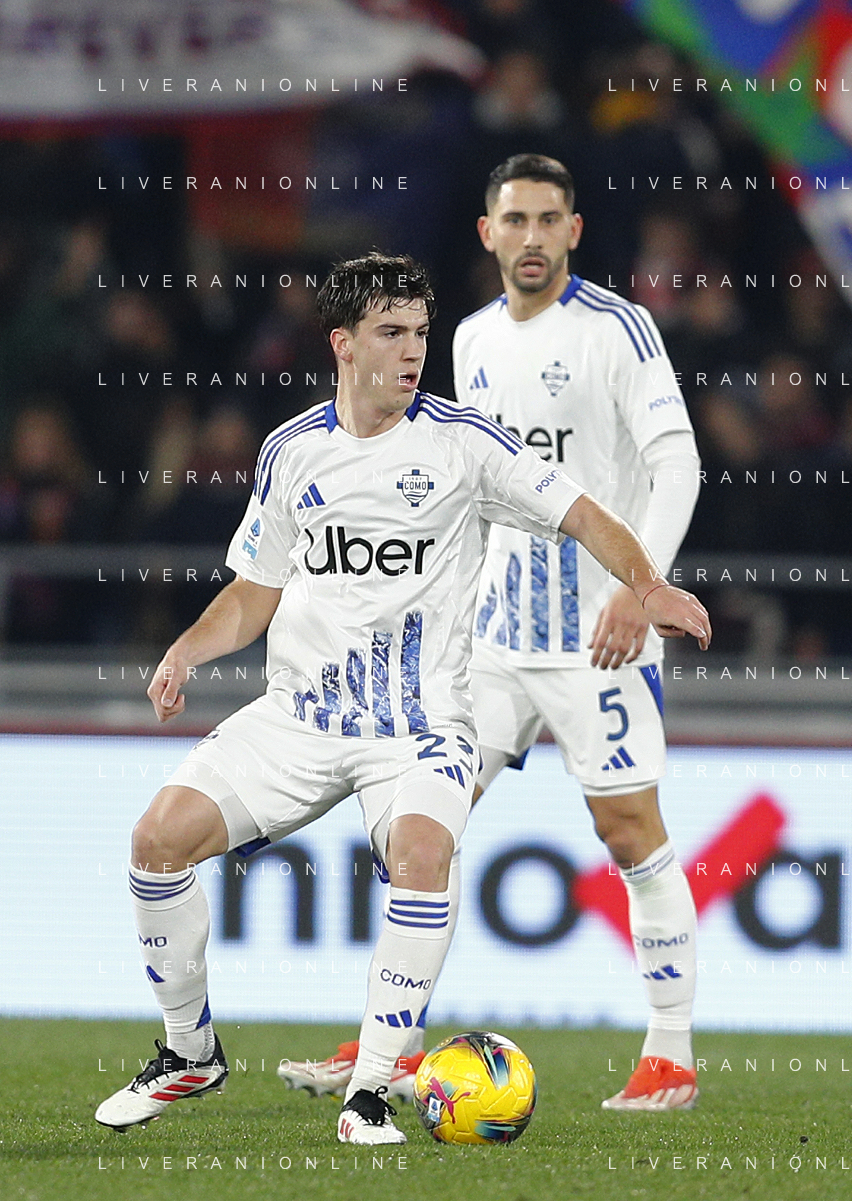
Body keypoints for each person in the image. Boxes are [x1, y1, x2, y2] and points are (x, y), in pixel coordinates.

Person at [94, 251, 711, 1144]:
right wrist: (189, 648)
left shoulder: (465, 443)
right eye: (391, 332)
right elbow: (255, 592)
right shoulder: (291, 450)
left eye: (421, 331)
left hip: (421, 728)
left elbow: (584, 512)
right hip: (301, 717)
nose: (413, 349)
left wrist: (646, 584)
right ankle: (190, 1053)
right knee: (156, 840)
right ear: (343, 343)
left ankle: (373, 1089)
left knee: (424, 851)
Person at [280, 155, 705, 1113]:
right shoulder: (466, 339)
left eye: (550, 219)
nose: (532, 237)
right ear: (488, 233)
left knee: (628, 829)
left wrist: (640, 585)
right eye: (515, 220)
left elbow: (676, 464)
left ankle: (669, 1054)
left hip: (599, 630)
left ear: (574, 231)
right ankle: (390, 1043)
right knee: (420, 822)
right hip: (490, 637)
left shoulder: (617, 330)